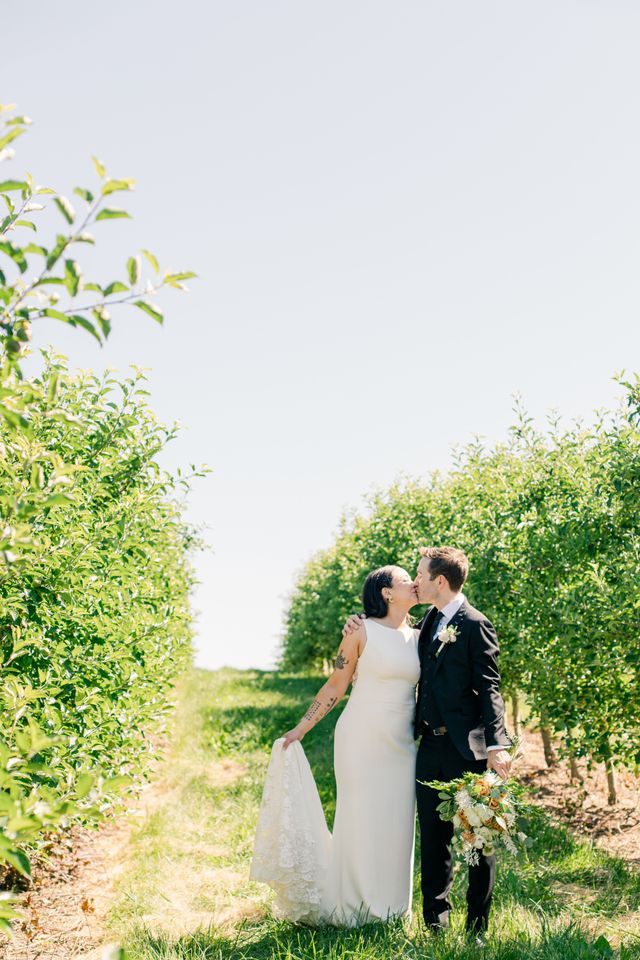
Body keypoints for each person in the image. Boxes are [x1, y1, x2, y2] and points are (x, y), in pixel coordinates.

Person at [342, 546, 512, 944]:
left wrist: (496, 744)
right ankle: (435, 927)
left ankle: (476, 931)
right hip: (428, 750)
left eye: (420, 574)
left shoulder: (475, 624)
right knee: (434, 843)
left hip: (467, 750)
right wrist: (358, 621)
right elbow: (390, 637)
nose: (415, 582)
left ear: (439, 581)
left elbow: (489, 687)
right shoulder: (428, 623)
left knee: (477, 841)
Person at [250, 565, 421, 926]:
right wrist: (301, 728)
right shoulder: (361, 632)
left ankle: (391, 908)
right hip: (360, 736)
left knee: (398, 821)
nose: (415, 584)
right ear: (387, 592)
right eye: (407, 580)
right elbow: (335, 685)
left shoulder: (422, 635)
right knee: (360, 818)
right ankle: (354, 906)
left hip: (402, 743)